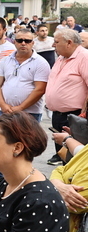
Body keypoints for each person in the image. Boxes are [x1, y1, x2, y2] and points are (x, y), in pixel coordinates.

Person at [44, 28, 88, 166]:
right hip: (58, 115)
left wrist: (84, 114)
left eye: (56, 42)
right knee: (63, 158)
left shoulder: (84, 57)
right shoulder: (62, 57)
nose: (53, 45)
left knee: (74, 161)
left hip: (76, 116)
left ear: (69, 43)